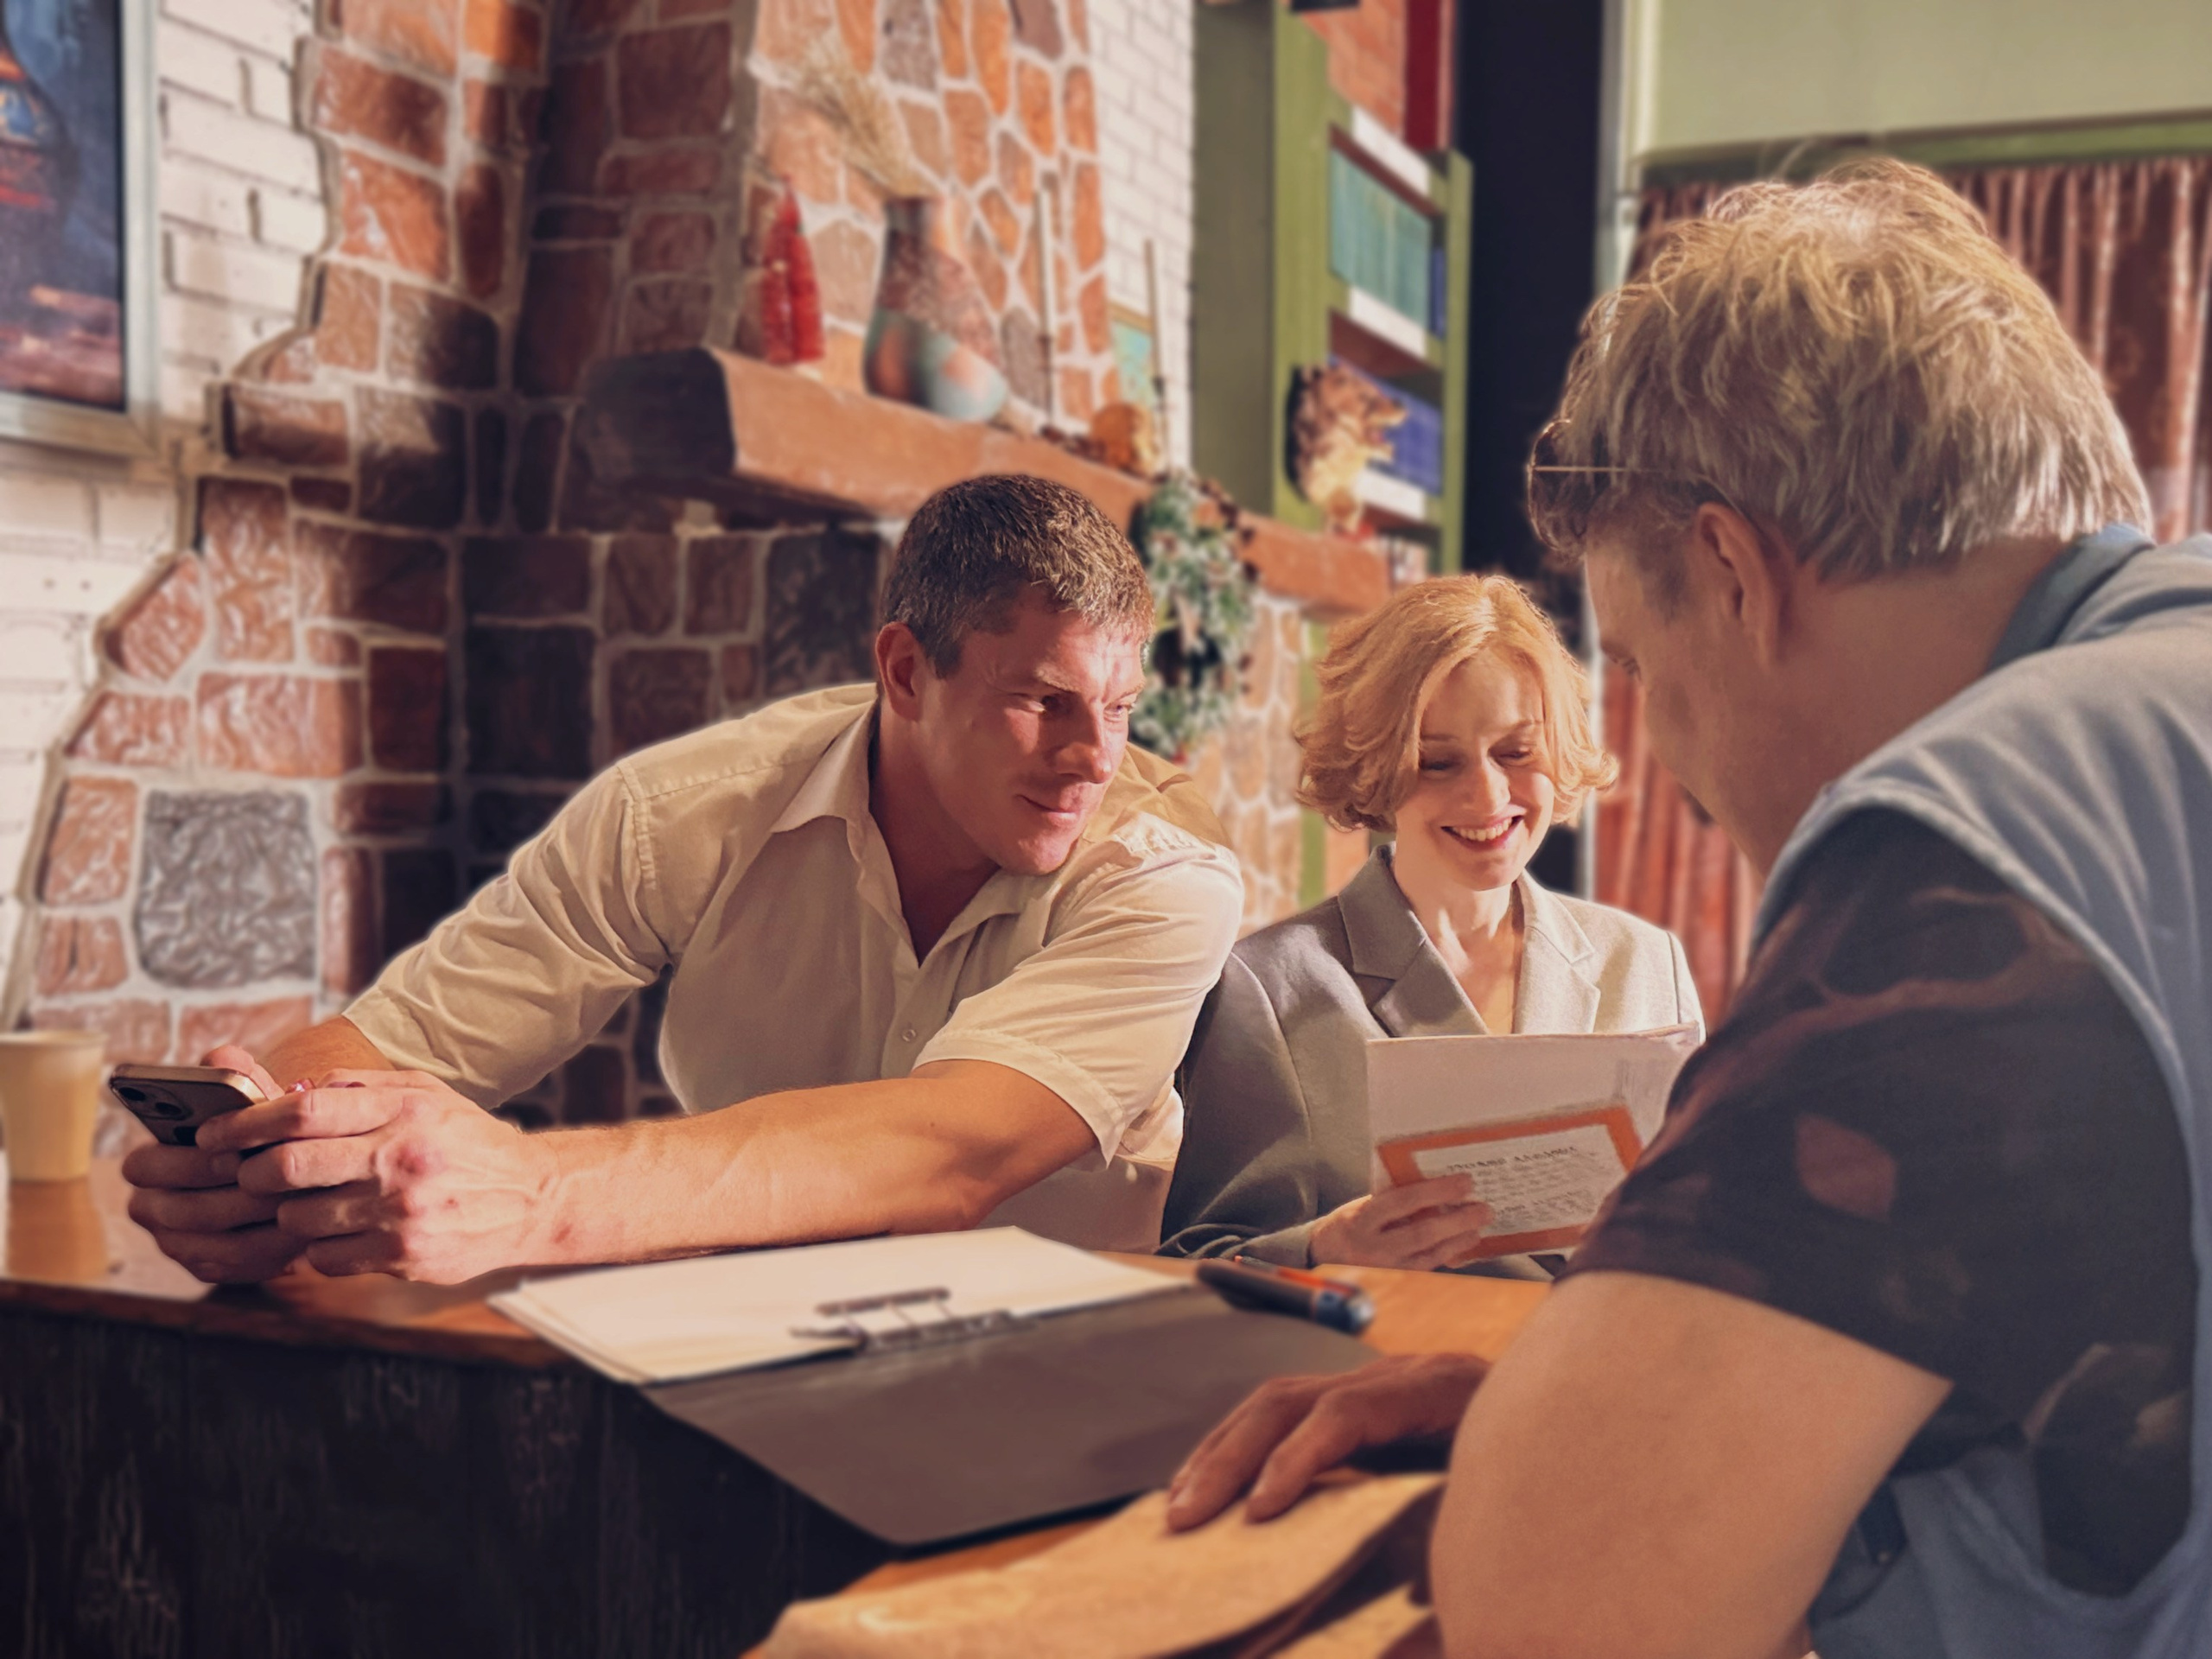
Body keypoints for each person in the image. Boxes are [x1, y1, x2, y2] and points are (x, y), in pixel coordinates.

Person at [1165, 158, 2212, 1659]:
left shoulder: (1976, 840)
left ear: (1736, 575)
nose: (1652, 743)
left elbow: (1566, 1602)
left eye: (1641, 666)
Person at [123, 474, 1244, 1283]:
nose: (1096, 754)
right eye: (1045, 700)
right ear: (905, 671)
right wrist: (253, 1156)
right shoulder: (681, 813)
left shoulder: (1167, 881)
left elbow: (956, 1152)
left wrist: (535, 1194)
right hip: (747, 1341)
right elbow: (393, 1045)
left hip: (1064, 1368)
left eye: (1119, 707)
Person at [1158, 575, 1700, 1271]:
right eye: (1437, 762)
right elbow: (1195, 1265)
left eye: (1516, 752)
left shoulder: (1646, 959)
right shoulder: (1267, 988)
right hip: (1390, 1364)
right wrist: (1326, 1246)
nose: (1488, 795)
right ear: (1379, 767)